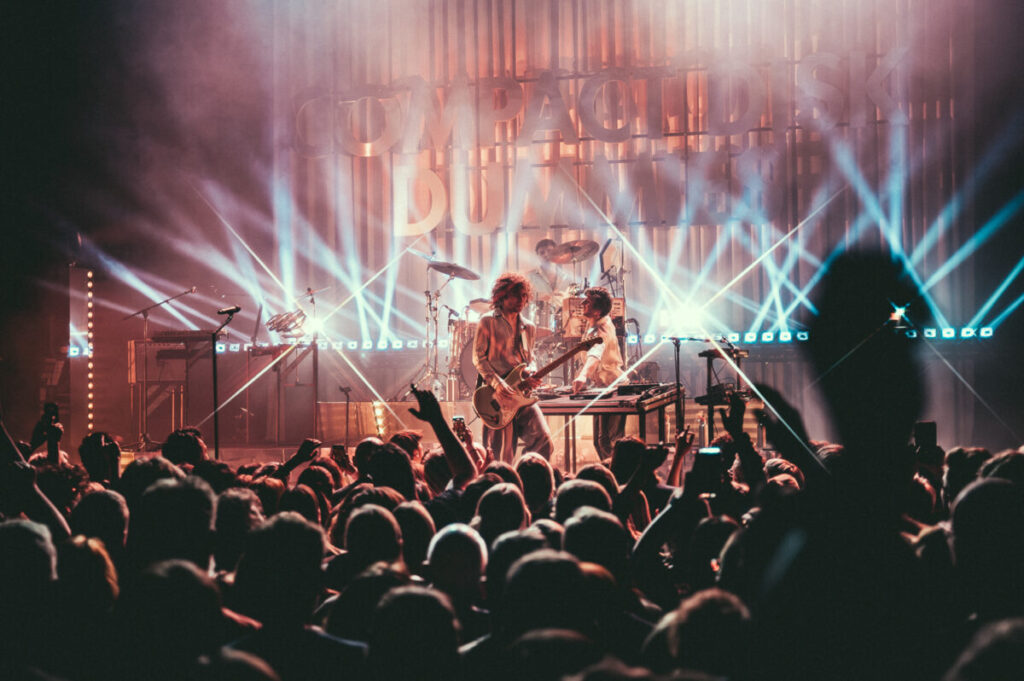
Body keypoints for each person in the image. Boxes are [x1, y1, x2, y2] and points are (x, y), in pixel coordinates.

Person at [473, 272, 554, 462]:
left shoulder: (529, 327)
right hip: (496, 396)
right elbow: (478, 358)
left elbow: (529, 358)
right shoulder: (487, 321)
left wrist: (531, 372)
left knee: (544, 441)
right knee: (500, 455)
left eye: (524, 295)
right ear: (502, 296)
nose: (522, 300)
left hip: (522, 394)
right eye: (516, 295)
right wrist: (498, 383)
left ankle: (528, 476)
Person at [571, 286, 625, 460]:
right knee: (600, 441)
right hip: (602, 389)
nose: (583, 303)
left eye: (588, 302)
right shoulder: (595, 322)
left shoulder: (601, 329)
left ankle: (617, 479)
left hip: (614, 388)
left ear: (597, 311)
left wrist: (582, 375)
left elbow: (595, 353)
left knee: (608, 441)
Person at [526, 238, 572, 335]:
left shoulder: (567, 278)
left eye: (550, 251)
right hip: (538, 326)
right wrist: (539, 298)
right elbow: (524, 302)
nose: (546, 255)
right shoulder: (529, 277)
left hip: (564, 326)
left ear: (557, 253)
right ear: (537, 256)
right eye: (542, 253)